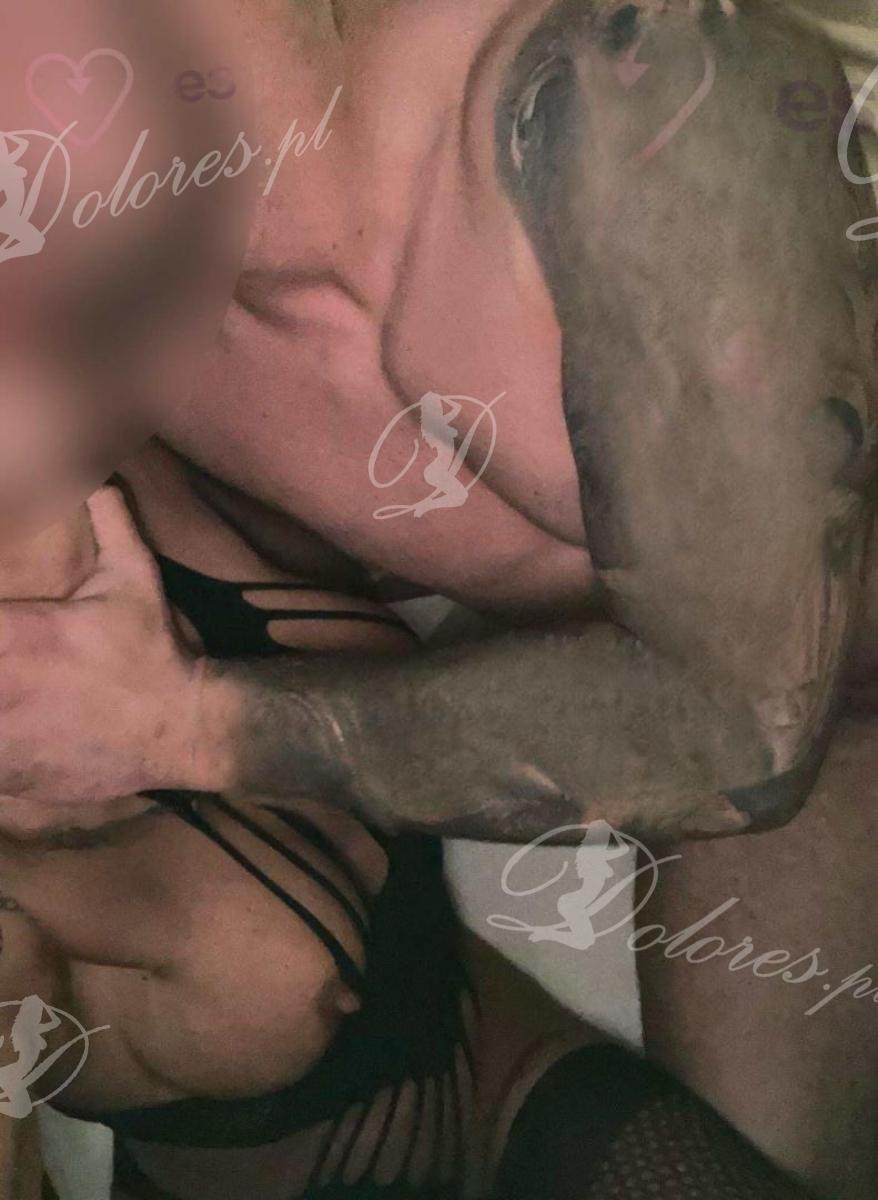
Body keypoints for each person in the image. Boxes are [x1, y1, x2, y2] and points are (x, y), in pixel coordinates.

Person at [0, 0, 876, 1195]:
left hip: (788, 724)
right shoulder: (103, 282)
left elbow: (737, 733)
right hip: (635, 752)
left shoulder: (644, 94)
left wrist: (192, 725)